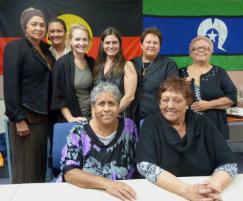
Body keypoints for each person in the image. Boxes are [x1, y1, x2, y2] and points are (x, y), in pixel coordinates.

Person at [135, 77, 238, 201]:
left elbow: (229, 163)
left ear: (187, 103)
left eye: (177, 100)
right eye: (165, 100)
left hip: (204, 191)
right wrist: (186, 191)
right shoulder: (150, 124)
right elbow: (145, 166)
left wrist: (212, 188)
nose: (170, 106)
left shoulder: (203, 123)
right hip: (166, 192)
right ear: (159, 102)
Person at [60, 82, 137, 201]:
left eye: (111, 103)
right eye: (101, 104)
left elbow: (139, 161)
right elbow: (69, 173)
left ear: (118, 106)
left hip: (123, 194)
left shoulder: (129, 127)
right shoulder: (78, 132)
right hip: (85, 192)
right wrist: (107, 184)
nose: (106, 109)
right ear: (93, 107)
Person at [3, 7, 55, 183]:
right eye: (34, 24)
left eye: (42, 25)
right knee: (26, 170)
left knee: (39, 168)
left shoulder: (46, 51)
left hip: (44, 117)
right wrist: (18, 118)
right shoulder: (14, 48)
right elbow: (10, 85)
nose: (39, 28)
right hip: (26, 118)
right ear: (25, 27)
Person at [180, 36, 237, 139]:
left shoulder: (219, 72)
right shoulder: (180, 73)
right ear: (191, 53)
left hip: (215, 127)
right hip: (186, 128)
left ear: (211, 52)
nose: (201, 50)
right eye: (196, 48)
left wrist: (208, 105)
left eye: (205, 48)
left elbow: (232, 97)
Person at [131, 27, 178, 124]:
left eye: (155, 43)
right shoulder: (132, 63)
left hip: (157, 118)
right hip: (132, 116)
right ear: (141, 45)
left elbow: (173, 91)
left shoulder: (169, 64)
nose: (151, 45)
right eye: (148, 42)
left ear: (160, 46)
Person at [51, 24, 95, 122]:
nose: (81, 43)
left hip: (93, 118)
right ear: (70, 41)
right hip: (74, 118)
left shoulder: (92, 62)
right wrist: (70, 118)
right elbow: (58, 96)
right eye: (77, 39)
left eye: (85, 39)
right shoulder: (61, 64)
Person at [93, 27, 137, 116]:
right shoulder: (98, 65)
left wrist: (111, 113)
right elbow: (94, 95)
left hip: (119, 117)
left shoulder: (127, 65)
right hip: (100, 118)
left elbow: (129, 97)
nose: (111, 46)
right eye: (107, 43)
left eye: (115, 42)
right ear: (102, 44)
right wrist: (95, 115)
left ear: (120, 44)